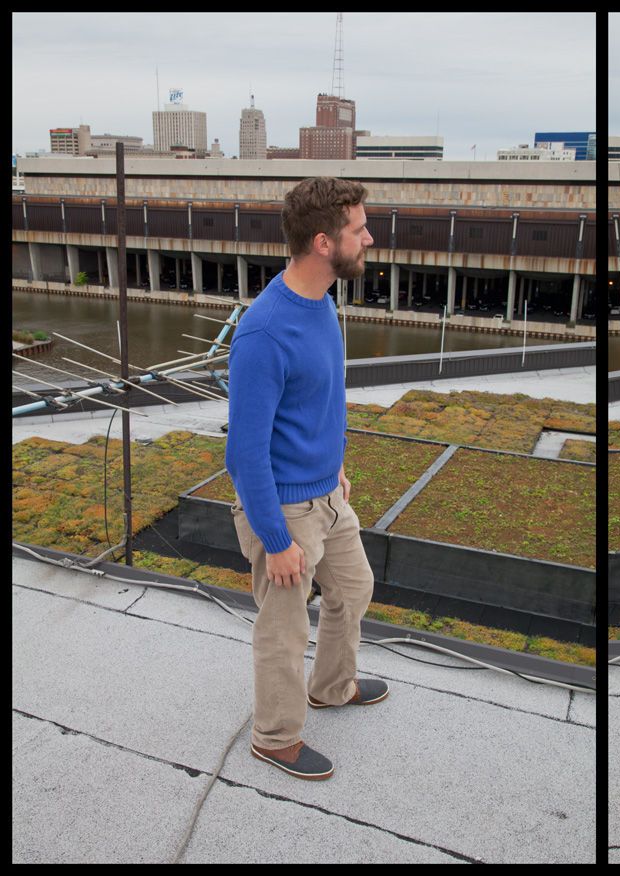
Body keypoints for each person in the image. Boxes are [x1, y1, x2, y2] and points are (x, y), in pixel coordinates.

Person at [226, 176, 384, 781]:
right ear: (323, 242)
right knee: (284, 630)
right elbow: (244, 453)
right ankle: (274, 737)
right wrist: (275, 539)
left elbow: (319, 400)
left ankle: (332, 687)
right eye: (358, 229)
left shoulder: (322, 304)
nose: (369, 238)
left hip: (326, 495)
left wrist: (334, 461)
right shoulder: (264, 332)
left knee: (355, 588)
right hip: (284, 512)